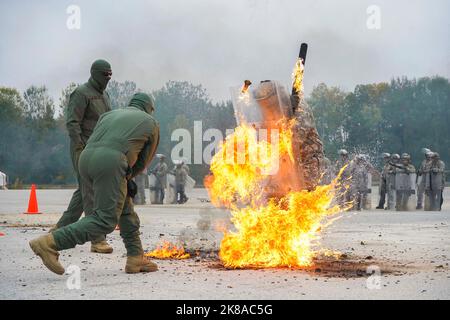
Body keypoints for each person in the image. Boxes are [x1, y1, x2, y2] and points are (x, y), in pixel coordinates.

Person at [29, 93, 160, 275]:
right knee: (105, 219)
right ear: (149, 108)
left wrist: (123, 176)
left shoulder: (109, 115)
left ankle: (135, 257)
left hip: (85, 159)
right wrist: (129, 174)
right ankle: (49, 243)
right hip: (111, 161)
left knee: (125, 209)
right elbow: (144, 161)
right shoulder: (150, 122)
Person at [51, 59, 113, 254]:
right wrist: (80, 147)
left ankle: (58, 231)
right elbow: (72, 123)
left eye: (110, 75)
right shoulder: (81, 93)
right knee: (89, 192)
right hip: (83, 149)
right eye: (105, 75)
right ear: (95, 73)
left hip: (99, 149)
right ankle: (97, 239)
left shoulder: (105, 96)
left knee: (83, 191)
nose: (107, 79)